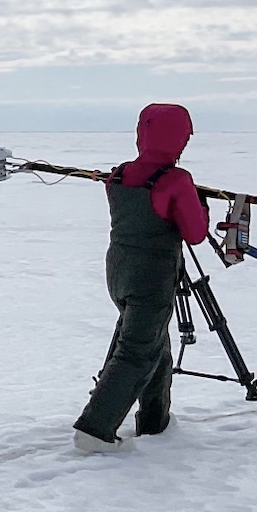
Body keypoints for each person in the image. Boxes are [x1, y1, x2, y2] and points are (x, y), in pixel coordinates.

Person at [73, 103, 211, 454]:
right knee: (136, 352)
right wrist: (200, 206)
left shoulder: (118, 175)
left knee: (152, 342)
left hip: (118, 271)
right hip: (152, 276)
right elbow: (194, 233)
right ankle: (95, 430)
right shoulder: (177, 181)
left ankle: (155, 422)